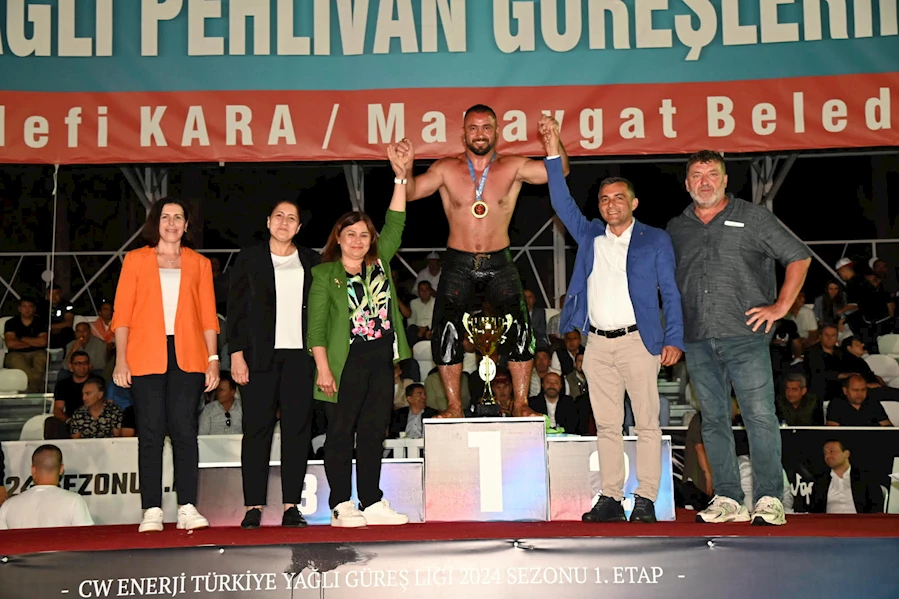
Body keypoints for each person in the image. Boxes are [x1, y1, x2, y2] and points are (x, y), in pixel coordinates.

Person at [392, 106, 569, 418]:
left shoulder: (513, 166)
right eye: (473, 128)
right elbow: (412, 192)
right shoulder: (446, 168)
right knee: (445, 328)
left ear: (497, 132)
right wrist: (404, 170)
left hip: (499, 261)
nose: (480, 134)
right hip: (458, 263)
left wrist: (554, 141)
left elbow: (560, 171)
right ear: (463, 134)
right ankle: (454, 406)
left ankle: (521, 403)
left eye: (486, 127)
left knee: (520, 326)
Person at [667, 150, 811, 526]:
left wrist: (780, 306)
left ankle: (769, 498)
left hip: (746, 336)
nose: (705, 182)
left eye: (712, 174)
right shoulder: (676, 228)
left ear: (725, 180)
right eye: (697, 176)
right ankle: (729, 498)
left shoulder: (753, 217)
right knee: (713, 420)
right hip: (698, 339)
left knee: (759, 416)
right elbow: (667, 284)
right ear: (687, 183)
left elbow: (799, 257)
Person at [544, 136, 684, 523]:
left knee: (646, 424)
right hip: (597, 345)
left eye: (619, 198)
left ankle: (646, 498)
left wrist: (674, 337)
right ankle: (610, 496)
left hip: (639, 341)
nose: (611, 204)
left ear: (634, 203)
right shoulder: (590, 235)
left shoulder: (655, 239)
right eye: (605, 199)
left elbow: (671, 292)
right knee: (606, 425)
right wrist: (553, 153)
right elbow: (561, 202)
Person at [308, 143, 412, 528]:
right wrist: (323, 369)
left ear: (371, 240)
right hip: (343, 362)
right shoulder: (324, 274)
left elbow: (396, 221)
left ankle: (371, 501)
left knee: (372, 433)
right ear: (338, 238)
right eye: (350, 234)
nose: (357, 240)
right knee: (340, 434)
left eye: (364, 235)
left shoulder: (380, 262)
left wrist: (400, 177)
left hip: (380, 359)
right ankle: (341, 504)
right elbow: (316, 328)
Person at [111, 197, 220, 533]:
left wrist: (213, 360)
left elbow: (208, 317)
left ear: (186, 225)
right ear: (155, 223)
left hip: (189, 355)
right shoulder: (135, 260)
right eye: (165, 217)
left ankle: (187, 506)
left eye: (178, 217)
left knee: (185, 432)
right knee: (151, 433)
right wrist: (121, 359)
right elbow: (122, 314)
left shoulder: (200, 264)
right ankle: (152, 509)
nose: (172, 223)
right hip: (145, 355)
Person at [227, 198, 320, 529]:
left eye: (291, 218)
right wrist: (236, 354)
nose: (284, 222)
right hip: (258, 357)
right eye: (278, 216)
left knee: (297, 431)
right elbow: (235, 310)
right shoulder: (249, 258)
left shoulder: (311, 260)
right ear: (268, 221)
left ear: (299, 227)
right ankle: (253, 506)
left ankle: (291, 506)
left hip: (300, 357)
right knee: (256, 430)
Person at [0, 445, 93, 529]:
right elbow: (87, 538)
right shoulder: (74, 501)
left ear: (33, 470)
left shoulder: (8, 506)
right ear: (61, 469)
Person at [3, 297, 48, 393]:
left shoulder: (41, 322)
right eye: (24, 306)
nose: (27, 309)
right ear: (19, 308)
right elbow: (10, 343)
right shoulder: (11, 323)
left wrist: (22, 339)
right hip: (15, 354)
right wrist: (33, 342)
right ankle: (40, 392)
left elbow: (43, 342)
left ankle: (31, 395)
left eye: (30, 306)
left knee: (40, 364)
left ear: (34, 309)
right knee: (29, 375)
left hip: (38, 352)